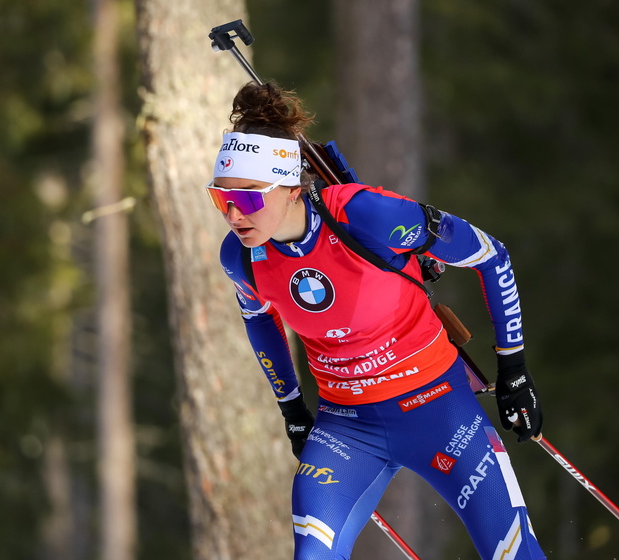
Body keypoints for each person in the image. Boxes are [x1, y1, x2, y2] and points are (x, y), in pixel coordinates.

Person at [206, 81, 546, 560]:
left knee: (513, 553)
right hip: (347, 425)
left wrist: (513, 368)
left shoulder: (366, 214)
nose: (234, 215)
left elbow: (492, 256)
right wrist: (292, 411)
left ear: (288, 188)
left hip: (439, 408)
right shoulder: (241, 259)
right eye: (221, 200)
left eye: (249, 199)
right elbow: (261, 322)